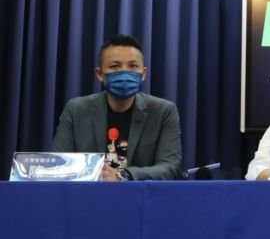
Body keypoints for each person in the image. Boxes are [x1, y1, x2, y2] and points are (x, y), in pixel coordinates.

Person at [51, 34, 184, 180]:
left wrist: (123, 175)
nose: (124, 73)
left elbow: (170, 167)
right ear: (100, 74)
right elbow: (59, 163)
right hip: (88, 192)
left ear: (143, 74)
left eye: (133, 66)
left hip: (139, 194)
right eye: (115, 66)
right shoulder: (76, 109)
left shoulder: (163, 111)